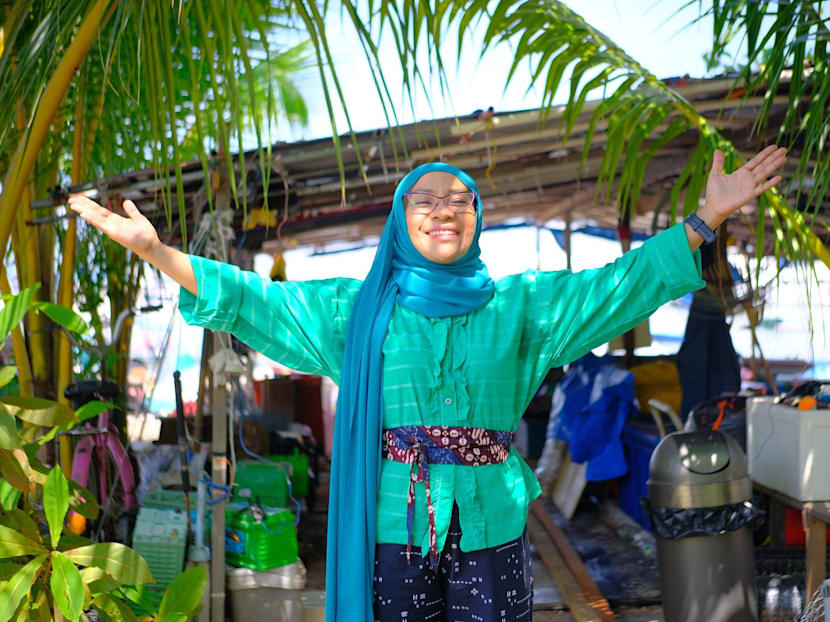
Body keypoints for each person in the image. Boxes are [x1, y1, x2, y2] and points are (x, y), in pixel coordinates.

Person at [70, 144, 787, 622]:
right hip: (394, 524)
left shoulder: (522, 307)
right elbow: (256, 302)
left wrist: (703, 220)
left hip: (494, 520)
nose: (443, 209)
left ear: (475, 219)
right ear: (401, 220)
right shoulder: (360, 310)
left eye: (459, 200)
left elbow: (618, 286)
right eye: (426, 200)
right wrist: (160, 252)